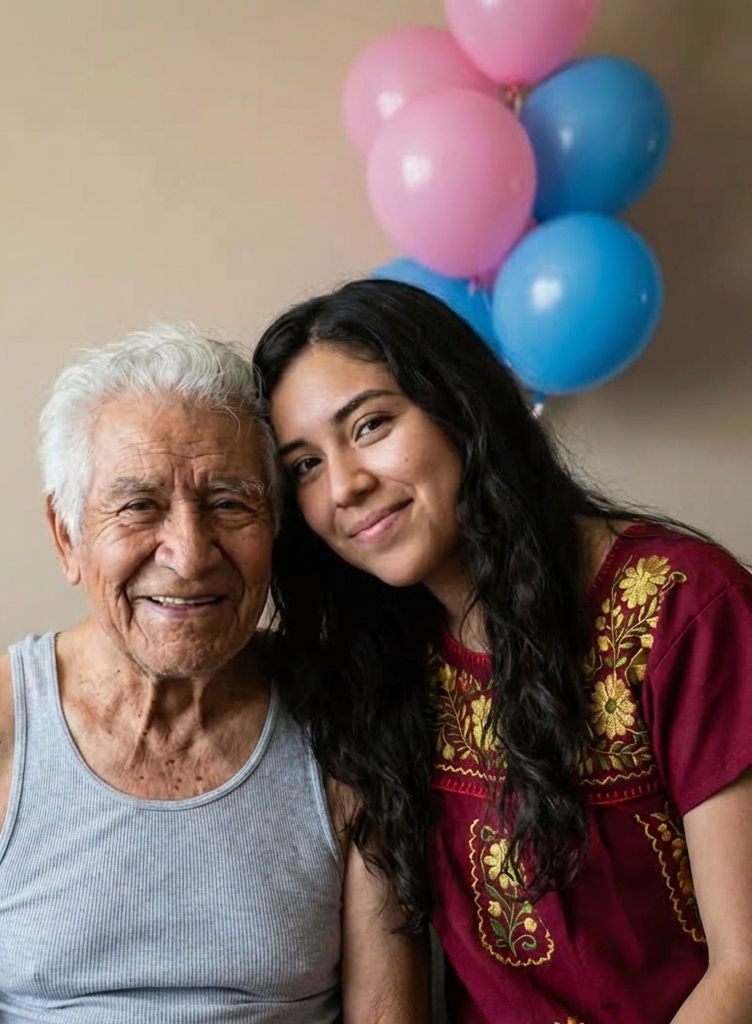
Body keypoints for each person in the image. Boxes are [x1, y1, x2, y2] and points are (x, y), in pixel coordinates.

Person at [0, 323, 428, 1024]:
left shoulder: (343, 712)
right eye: (139, 506)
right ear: (67, 536)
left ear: (275, 528)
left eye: (229, 502)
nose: (190, 555)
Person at [252, 279, 752, 1024]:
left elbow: (742, 971)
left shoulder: (685, 606)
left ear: (459, 404)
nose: (346, 486)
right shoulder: (382, 663)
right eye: (304, 466)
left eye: (370, 425)